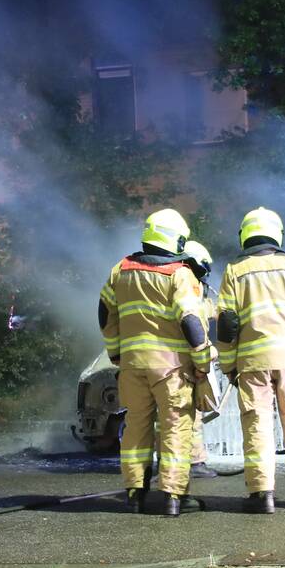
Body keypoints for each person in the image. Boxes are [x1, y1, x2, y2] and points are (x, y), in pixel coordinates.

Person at [99, 209, 214, 517]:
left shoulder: (120, 269)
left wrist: (116, 352)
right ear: (175, 239)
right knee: (176, 427)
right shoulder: (179, 273)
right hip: (171, 369)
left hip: (133, 366)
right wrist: (202, 360)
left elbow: (104, 311)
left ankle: (135, 493)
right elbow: (191, 320)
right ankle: (174, 498)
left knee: (136, 425)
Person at [215, 207, 285, 514]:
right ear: (277, 233)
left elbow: (225, 324)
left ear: (245, 235)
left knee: (257, 426)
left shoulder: (235, 271)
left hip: (252, 363)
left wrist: (228, 366)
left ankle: (263, 496)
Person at [181, 240, 219, 479]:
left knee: (175, 416)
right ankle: (194, 464)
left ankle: (174, 464)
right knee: (188, 414)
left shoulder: (183, 285)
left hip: (176, 360)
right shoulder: (188, 289)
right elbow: (196, 324)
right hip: (188, 360)